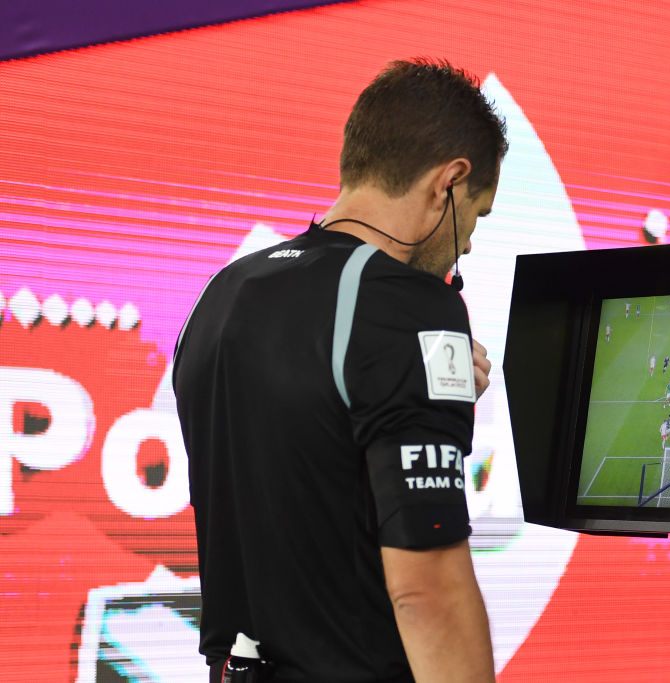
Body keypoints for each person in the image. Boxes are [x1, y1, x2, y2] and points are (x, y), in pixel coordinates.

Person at [173, 59, 507, 683]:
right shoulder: (409, 308)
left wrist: (420, 389)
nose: (467, 246)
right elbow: (426, 589)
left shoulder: (225, 290)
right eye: (476, 216)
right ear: (449, 181)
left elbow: (307, 455)